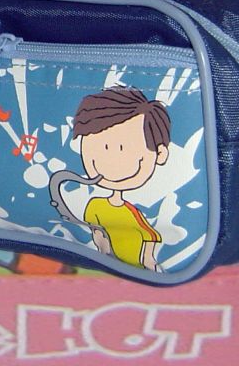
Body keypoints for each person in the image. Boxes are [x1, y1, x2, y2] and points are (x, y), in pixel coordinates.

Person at [66, 86, 171, 271]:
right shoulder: (95, 206)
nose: (107, 159)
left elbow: (150, 237)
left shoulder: (133, 212)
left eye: (123, 147)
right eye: (102, 148)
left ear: (160, 153)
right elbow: (97, 233)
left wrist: (148, 260)